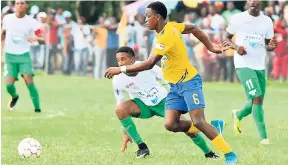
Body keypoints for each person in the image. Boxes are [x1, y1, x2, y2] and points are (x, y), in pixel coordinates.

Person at [105, 1, 237, 164]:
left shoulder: (166, 35)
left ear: (158, 17)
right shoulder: (171, 27)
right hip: (175, 86)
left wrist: (120, 69)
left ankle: (230, 155)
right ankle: (214, 128)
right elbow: (194, 29)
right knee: (170, 124)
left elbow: (149, 63)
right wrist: (211, 47)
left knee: (198, 121)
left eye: (148, 16)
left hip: (189, 81)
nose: (145, 19)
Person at [113, 46, 225, 159]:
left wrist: (178, 97)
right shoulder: (117, 79)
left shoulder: (147, 66)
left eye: (123, 59)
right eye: (118, 60)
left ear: (132, 59)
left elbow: (167, 78)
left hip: (164, 101)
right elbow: (120, 104)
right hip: (142, 106)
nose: (120, 63)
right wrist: (125, 130)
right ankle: (142, 147)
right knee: (120, 109)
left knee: (187, 127)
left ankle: (209, 153)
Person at [223, 0, 278, 145]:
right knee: (257, 98)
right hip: (243, 64)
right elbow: (226, 37)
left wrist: (271, 46)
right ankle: (264, 138)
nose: (252, 1)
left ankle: (238, 114)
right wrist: (236, 47)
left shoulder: (267, 21)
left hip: (259, 64)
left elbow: (267, 43)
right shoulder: (238, 18)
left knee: (256, 100)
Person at [1, 0, 43, 112]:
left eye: (22, 3)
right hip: (10, 56)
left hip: (24, 56)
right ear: (15, 6)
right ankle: (15, 97)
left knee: (29, 81)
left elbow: (41, 37)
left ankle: (37, 109)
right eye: (17, 3)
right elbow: (4, 33)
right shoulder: (7, 18)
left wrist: (36, 38)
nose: (20, 5)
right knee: (9, 86)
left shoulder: (32, 22)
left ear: (26, 6)